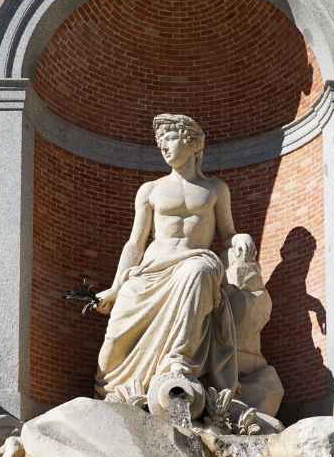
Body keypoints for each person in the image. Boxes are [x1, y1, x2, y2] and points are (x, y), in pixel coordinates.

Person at [94, 114, 256, 400]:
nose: (163, 149)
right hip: (152, 270)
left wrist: (239, 237)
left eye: (168, 140)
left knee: (197, 272)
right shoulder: (151, 190)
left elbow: (227, 233)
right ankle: (112, 389)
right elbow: (135, 243)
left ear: (192, 143)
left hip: (195, 261)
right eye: (159, 144)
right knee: (111, 351)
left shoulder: (215, 189)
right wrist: (117, 287)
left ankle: (177, 360)